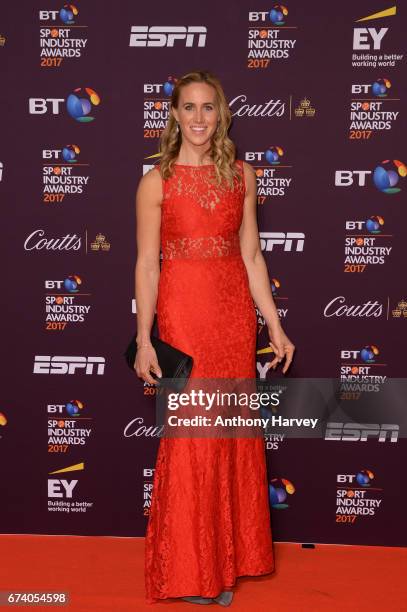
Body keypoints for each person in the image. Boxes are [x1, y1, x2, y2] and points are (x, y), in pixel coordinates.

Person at [134, 70, 295, 606]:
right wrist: (146, 338)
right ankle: (191, 569)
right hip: (184, 315)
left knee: (229, 433)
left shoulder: (242, 176)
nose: (199, 119)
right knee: (193, 437)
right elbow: (147, 265)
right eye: (189, 108)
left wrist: (273, 323)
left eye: (208, 108)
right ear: (174, 115)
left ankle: (229, 561)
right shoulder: (156, 181)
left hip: (231, 317)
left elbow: (252, 255)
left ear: (220, 115)